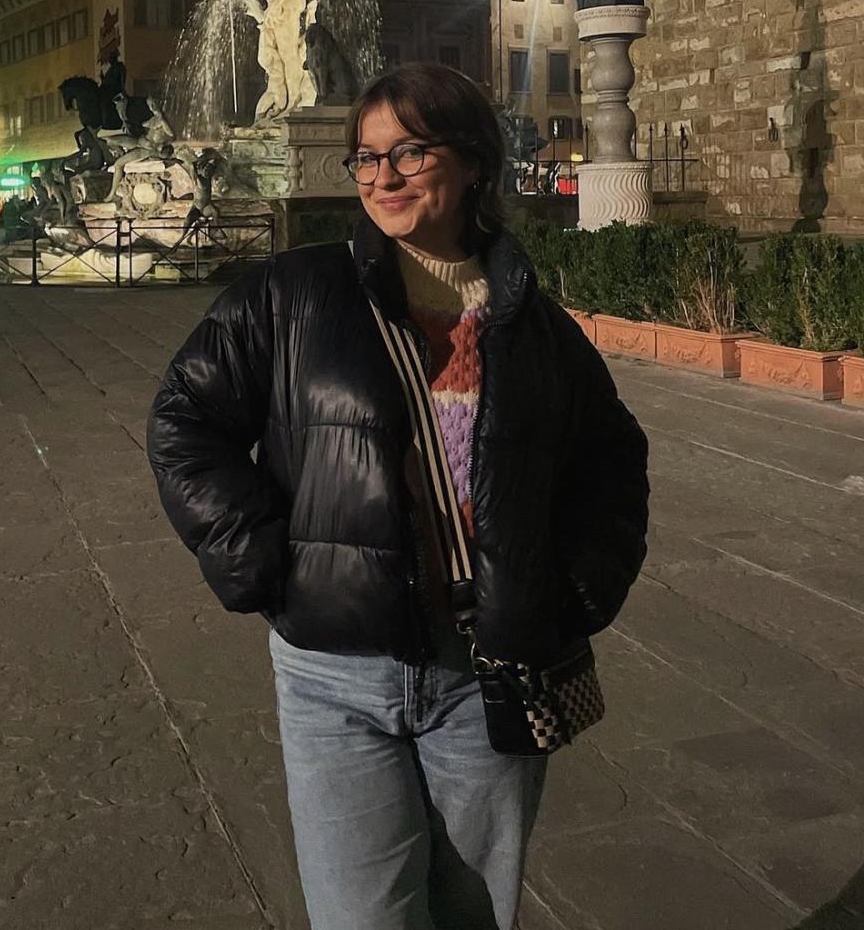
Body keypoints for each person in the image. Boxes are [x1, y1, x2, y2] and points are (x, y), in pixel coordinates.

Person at [146, 64, 650, 930]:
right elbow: (185, 418)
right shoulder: (294, 293)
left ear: (473, 167)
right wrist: (262, 562)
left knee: (474, 917)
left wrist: (571, 594)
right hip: (333, 674)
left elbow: (612, 467)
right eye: (366, 159)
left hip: (488, 673)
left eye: (409, 153)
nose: (380, 178)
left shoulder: (533, 323)